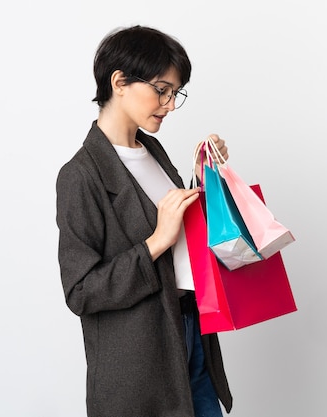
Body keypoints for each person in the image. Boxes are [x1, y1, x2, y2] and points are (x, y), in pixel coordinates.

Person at [56, 25, 233, 417]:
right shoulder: (81, 175)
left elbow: (182, 241)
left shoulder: (151, 150)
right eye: (161, 89)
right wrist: (156, 242)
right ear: (119, 82)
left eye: (175, 94)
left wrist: (202, 178)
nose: (169, 104)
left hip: (192, 338)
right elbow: (81, 291)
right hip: (141, 369)